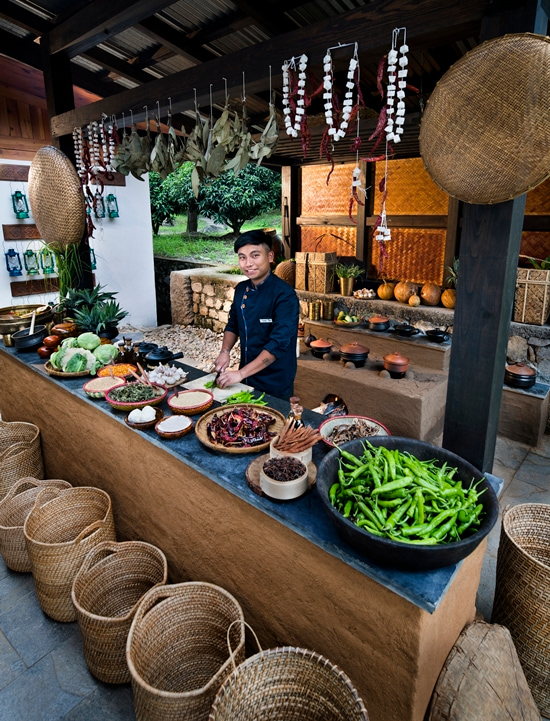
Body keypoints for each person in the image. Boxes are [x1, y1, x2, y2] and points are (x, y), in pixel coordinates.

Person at [214, 229, 299, 401]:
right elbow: (233, 324)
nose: (248, 263)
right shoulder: (241, 289)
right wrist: (225, 351)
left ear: (270, 257)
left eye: (255, 255)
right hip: (247, 374)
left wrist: (239, 373)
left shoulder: (285, 296)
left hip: (275, 380)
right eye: (242, 257)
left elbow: (277, 344)